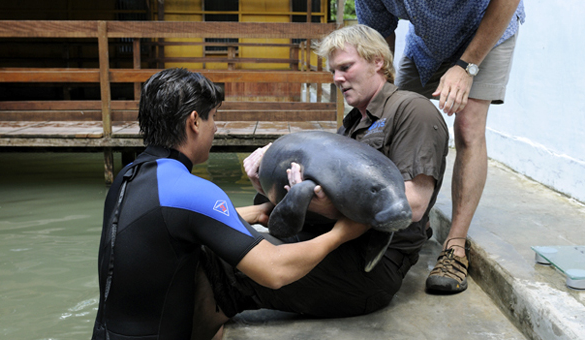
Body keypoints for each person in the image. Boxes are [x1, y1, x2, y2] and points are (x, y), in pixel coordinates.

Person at [197, 24, 448, 334]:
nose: (336, 78)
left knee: (226, 265)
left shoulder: (412, 110)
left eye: (345, 67)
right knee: (217, 245)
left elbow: (414, 204)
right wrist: (269, 187)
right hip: (336, 242)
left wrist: (328, 208)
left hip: (371, 264)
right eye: (333, 70)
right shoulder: (354, 122)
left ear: (378, 61)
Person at [91, 68, 369, 340]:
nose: (215, 128)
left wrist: (259, 212)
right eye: (214, 117)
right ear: (194, 121)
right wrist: (341, 233)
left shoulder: (127, 177)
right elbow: (275, 271)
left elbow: (170, 221)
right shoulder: (192, 190)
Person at [355, 0, 526, 293]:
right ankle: (414, 225)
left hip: (488, 28)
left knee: (468, 126)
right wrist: (378, 96)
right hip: (426, 42)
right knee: (397, 118)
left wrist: (466, 67)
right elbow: (378, 38)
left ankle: (454, 247)